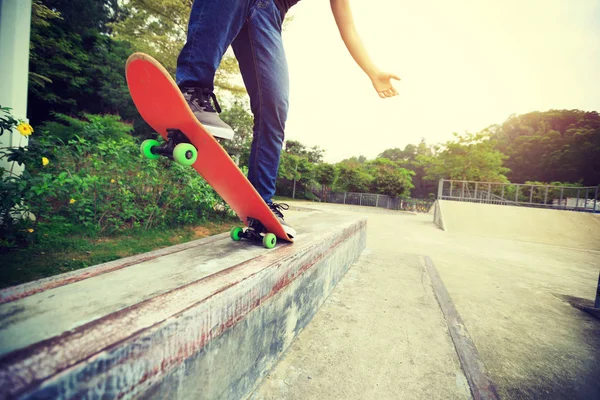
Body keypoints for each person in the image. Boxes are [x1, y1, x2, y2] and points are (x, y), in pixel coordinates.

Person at [176, 0, 400, 238]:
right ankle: (193, 89)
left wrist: (373, 71)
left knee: (275, 106)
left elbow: (349, 28)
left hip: (269, 16)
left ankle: (261, 205)